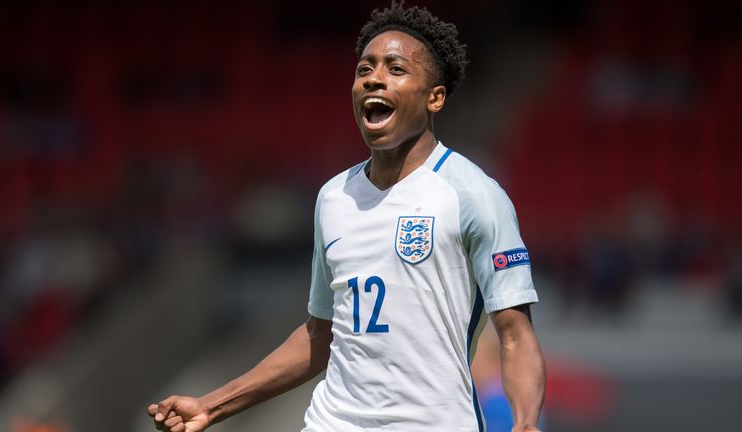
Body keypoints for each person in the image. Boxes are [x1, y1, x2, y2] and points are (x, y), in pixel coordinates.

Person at [148, 2, 545, 431]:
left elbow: (515, 334)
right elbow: (321, 335)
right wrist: (211, 406)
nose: (374, 78)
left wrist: (524, 425)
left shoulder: (472, 194)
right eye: (364, 69)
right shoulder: (333, 197)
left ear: (434, 97)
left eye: (396, 68)